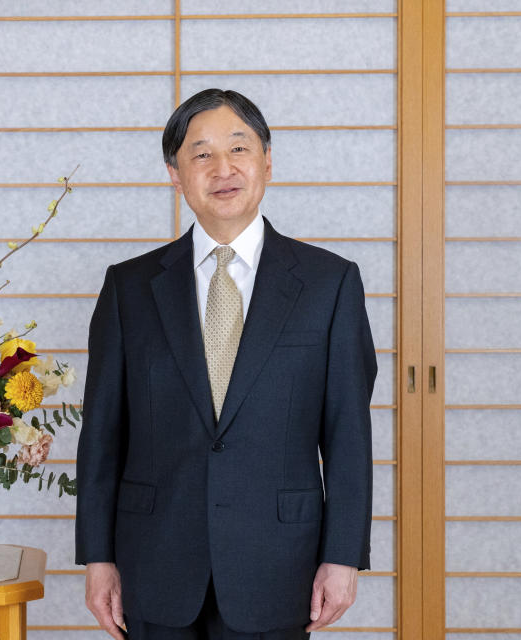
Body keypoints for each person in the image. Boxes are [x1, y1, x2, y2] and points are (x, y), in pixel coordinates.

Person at [74, 89, 378, 640]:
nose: (223, 168)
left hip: (279, 563)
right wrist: (98, 557)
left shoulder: (329, 284)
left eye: (239, 148)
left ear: (267, 160)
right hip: (154, 559)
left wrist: (343, 555)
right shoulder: (129, 288)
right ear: (174, 173)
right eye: (201, 153)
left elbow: (349, 434)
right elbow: (101, 436)